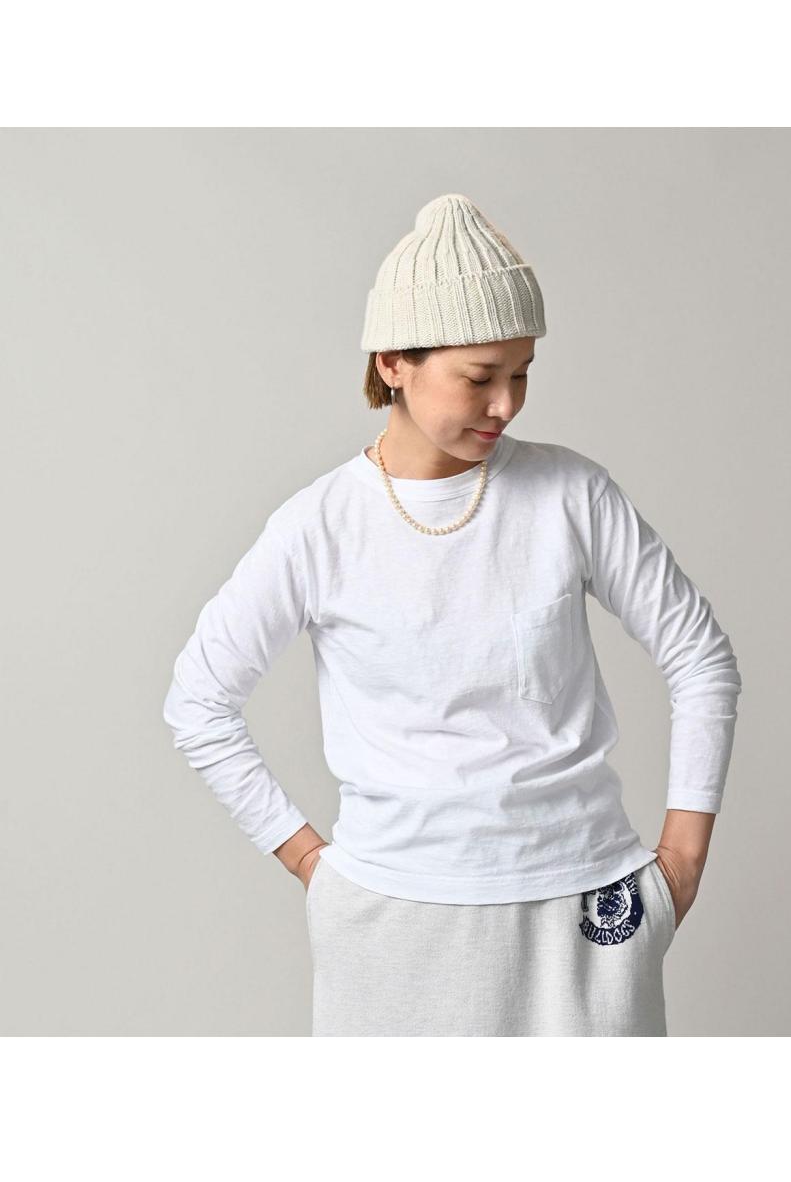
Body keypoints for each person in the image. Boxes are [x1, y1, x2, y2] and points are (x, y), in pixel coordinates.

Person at [163, 193, 742, 1036]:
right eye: (479, 377)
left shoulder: (571, 493)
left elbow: (700, 656)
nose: (506, 404)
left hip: (586, 904)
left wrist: (682, 858)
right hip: (391, 920)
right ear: (394, 361)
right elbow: (198, 701)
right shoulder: (320, 526)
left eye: (522, 372)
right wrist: (311, 861)